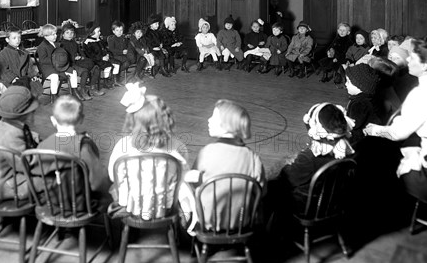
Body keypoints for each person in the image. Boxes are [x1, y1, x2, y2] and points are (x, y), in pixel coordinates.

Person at [363, 36, 427, 204]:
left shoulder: (423, 92)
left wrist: (374, 129)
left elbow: (397, 133)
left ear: (424, 65)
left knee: (375, 158)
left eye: (413, 57)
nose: (408, 58)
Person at [265, 102, 355, 240]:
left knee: (273, 186)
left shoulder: (310, 157)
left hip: (310, 206)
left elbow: (289, 179)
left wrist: (285, 165)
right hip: (334, 201)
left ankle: (272, 234)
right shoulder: (347, 149)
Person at [107, 83, 193, 221]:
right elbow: (181, 176)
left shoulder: (123, 145)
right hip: (164, 206)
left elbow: (113, 176)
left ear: (132, 120)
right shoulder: (177, 146)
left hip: (131, 205)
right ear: (167, 120)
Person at [190, 100, 266, 230]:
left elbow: (194, 183)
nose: (209, 120)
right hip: (241, 223)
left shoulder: (207, 152)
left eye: (214, 117)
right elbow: (262, 192)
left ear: (227, 124)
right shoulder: (253, 157)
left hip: (209, 223)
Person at [38, 95, 111, 202]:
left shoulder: (43, 146)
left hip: (51, 200)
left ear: (53, 120)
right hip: (80, 202)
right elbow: (98, 182)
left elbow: (37, 175)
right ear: (81, 119)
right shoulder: (83, 146)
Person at [0, 85, 40, 199]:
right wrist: (50, 154)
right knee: (54, 179)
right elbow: (26, 165)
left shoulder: (8, 123)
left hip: (9, 176)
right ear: (24, 114)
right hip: (7, 185)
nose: (34, 112)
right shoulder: (12, 135)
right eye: (32, 111)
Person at [36, 24, 88, 101]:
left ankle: (74, 90)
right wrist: (56, 59)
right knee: (55, 77)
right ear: (46, 36)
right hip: (48, 68)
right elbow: (43, 60)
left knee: (73, 72)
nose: (55, 36)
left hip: (58, 66)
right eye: (53, 34)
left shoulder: (56, 44)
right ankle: (54, 95)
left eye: (55, 34)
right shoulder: (42, 46)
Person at [59, 22, 105, 97]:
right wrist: (74, 58)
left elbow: (81, 52)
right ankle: (82, 90)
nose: (70, 34)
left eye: (72, 33)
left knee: (96, 68)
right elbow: (64, 58)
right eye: (67, 33)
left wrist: (82, 57)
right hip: (69, 65)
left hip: (78, 62)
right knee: (85, 71)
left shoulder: (74, 43)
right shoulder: (62, 45)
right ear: (63, 34)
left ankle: (92, 89)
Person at [0, 28, 41, 95]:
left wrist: (33, 75)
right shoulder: (2, 54)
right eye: (14, 38)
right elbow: (2, 70)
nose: (17, 40)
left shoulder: (24, 52)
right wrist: (13, 78)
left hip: (24, 78)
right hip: (10, 81)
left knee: (35, 87)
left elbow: (29, 66)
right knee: (20, 91)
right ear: (7, 40)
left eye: (19, 38)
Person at [344, 63, 380, 145]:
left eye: (349, 82)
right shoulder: (367, 98)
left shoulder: (359, 104)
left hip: (359, 140)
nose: (345, 84)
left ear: (360, 87)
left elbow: (353, 124)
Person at [83, 21, 118, 87]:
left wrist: (107, 54)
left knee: (116, 62)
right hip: (95, 60)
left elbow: (105, 49)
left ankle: (112, 80)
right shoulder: (87, 42)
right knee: (108, 65)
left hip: (103, 58)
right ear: (91, 33)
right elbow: (90, 55)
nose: (100, 33)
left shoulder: (99, 40)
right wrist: (101, 58)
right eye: (98, 32)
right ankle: (105, 81)